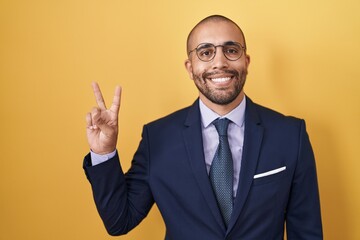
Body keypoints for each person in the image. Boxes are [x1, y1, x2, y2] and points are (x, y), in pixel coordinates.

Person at [83, 15, 323, 239]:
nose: (219, 62)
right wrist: (104, 153)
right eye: (205, 52)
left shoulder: (291, 135)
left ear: (246, 62)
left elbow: (306, 232)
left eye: (231, 50)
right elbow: (119, 221)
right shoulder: (157, 137)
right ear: (190, 68)